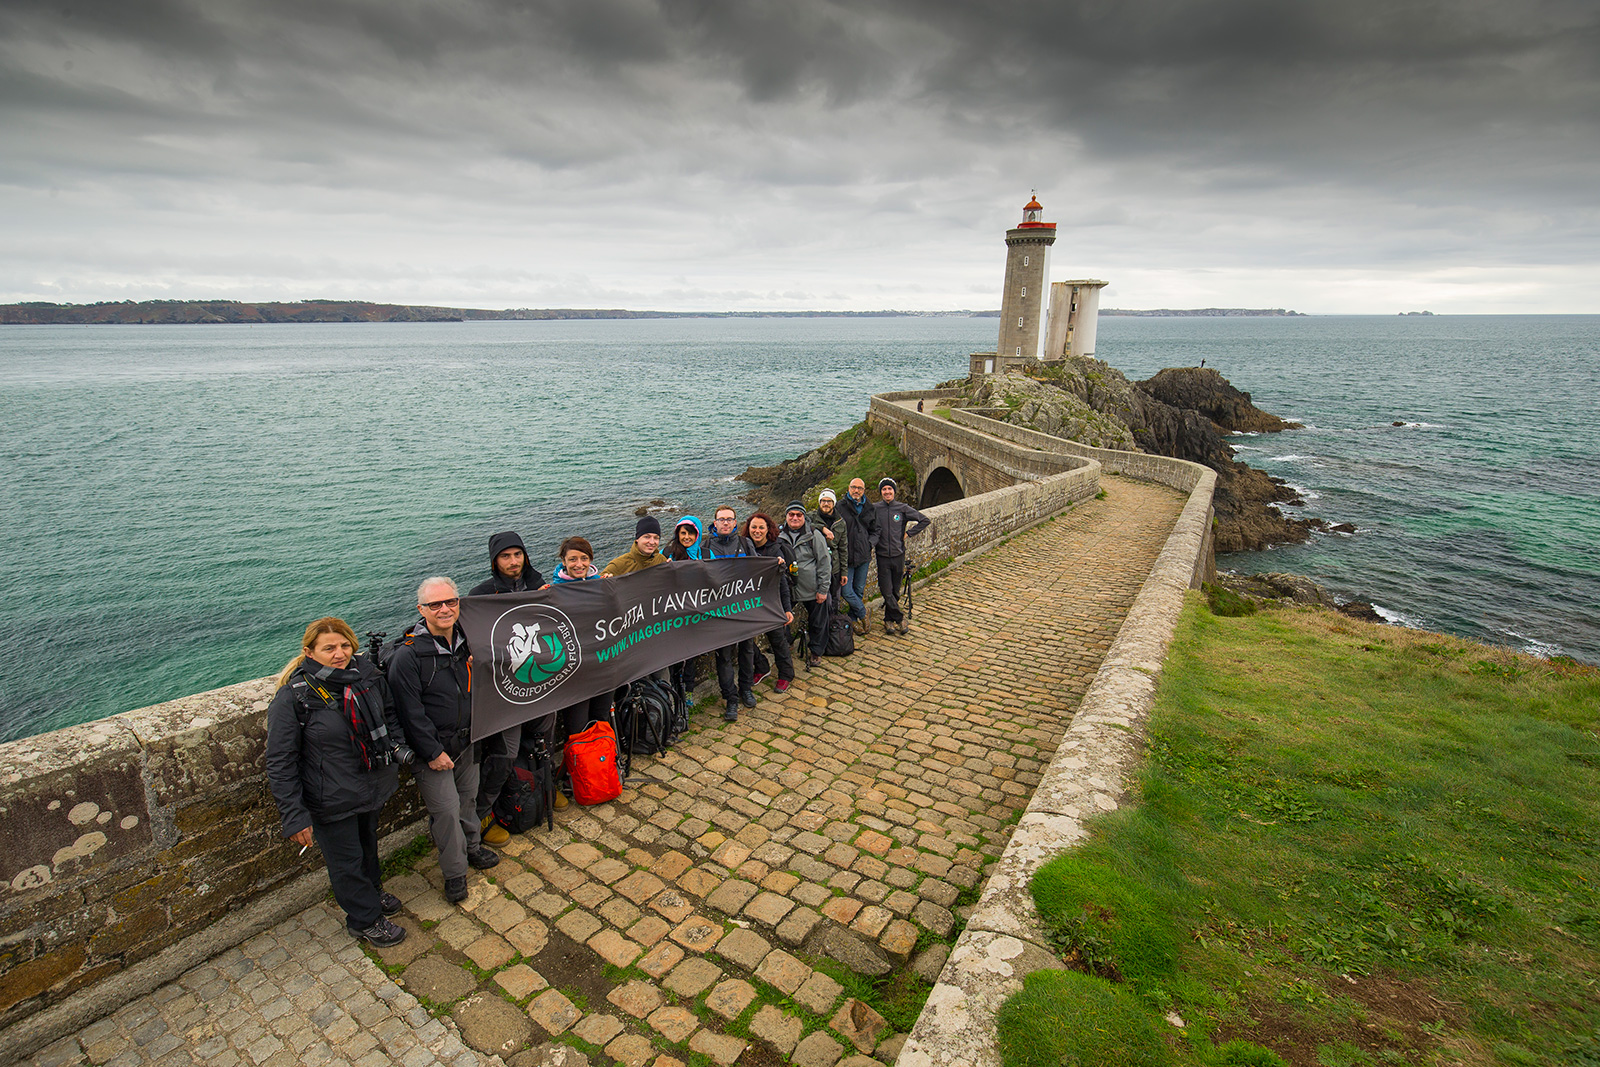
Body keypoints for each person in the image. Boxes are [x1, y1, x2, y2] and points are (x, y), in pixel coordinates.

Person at [266, 618, 407, 946]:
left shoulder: (367, 676)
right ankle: (365, 919)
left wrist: (397, 750)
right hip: (330, 796)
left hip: (369, 785)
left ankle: (372, 893)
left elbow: (389, 715)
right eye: (328, 648)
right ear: (309, 652)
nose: (339, 653)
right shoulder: (293, 699)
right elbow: (280, 762)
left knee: (367, 847)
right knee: (345, 862)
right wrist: (294, 816)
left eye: (344, 646)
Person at [388, 576, 498, 905]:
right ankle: (454, 873)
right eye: (435, 604)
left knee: (467, 799)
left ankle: (473, 848)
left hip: (467, 741)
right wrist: (432, 752)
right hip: (432, 752)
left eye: (450, 602)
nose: (444, 609)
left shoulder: (468, 640)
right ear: (421, 610)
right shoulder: (407, 658)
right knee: (447, 811)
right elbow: (409, 711)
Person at [467, 531, 546, 845]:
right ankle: (484, 815)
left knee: (540, 740)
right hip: (506, 690)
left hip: (544, 681)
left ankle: (538, 792)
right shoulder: (481, 595)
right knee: (505, 753)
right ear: (494, 561)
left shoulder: (540, 586)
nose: (513, 562)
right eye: (505, 556)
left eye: (518, 555)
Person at [699, 505, 757, 722]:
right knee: (723, 655)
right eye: (721, 519)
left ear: (735, 523)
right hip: (719, 612)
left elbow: (758, 569)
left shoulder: (745, 543)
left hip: (744, 608)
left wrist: (776, 565)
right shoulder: (705, 546)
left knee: (747, 650)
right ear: (714, 523)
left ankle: (746, 689)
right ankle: (730, 698)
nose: (725, 523)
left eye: (729, 519)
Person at [744, 512, 795, 693]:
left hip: (772, 602)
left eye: (761, 528)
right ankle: (761, 666)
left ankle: (786, 675)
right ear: (748, 529)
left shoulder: (775, 550)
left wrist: (787, 609)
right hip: (751, 603)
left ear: (768, 530)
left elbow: (782, 583)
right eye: (753, 527)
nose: (757, 531)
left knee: (777, 640)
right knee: (744, 639)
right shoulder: (744, 548)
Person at [779, 501, 832, 669]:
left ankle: (816, 651)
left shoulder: (814, 535)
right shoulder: (779, 536)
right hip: (788, 588)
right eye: (791, 515)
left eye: (798, 515)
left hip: (811, 588)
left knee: (818, 621)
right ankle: (787, 643)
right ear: (786, 516)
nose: (795, 518)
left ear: (804, 517)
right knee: (781, 618)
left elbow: (824, 563)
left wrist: (823, 589)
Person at [874, 478, 930, 635]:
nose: (887, 492)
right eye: (884, 490)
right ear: (881, 493)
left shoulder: (902, 508)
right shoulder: (875, 509)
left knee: (895, 591)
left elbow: (924, 520)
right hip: (882, 555)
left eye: (889, 489)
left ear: (894, 491)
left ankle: (888, 620)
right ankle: (899, 619)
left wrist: (909, 533)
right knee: (886, 590)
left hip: (899, 554)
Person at [664, 517, 703, 706]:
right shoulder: (669, 552)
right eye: (683, 533)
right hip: (674, 614)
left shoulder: (705, 553)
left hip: (696, 613)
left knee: (691, 655)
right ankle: (673, 691)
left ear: (698, 534)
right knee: (672, 655)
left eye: (691, 533)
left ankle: (688, 691)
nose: (686, 537)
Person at [836, 478, 878, 635]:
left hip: (863, 555)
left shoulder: (869, 508)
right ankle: (863, 612)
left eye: (860, 488)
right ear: (848, 488)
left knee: (859, 590)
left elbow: (876, 530)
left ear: (864, 490)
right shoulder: (840, 507)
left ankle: (853, 620)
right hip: (846, 556)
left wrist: (869, 543)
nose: (856, 491)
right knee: (846, 591)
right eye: (853, 487)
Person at [813, 490, 849, 622]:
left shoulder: (840, 522)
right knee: (821, 601)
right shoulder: (812, 517)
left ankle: (834, 627)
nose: (826, 504)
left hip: (835, 568)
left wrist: (844, 572)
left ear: (834, 503)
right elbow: (803, 524)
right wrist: (823, 528)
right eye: (823, 501)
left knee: (835, 599)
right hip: (818, 567)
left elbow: (843, 548)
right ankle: (823, 626)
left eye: (829, 501)